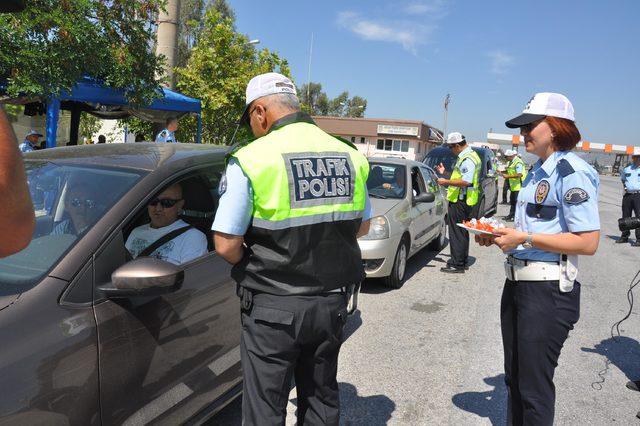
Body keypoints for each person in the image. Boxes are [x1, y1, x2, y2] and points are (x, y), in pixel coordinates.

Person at [212, 72, 371, 425]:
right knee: (320, 400)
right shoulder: (350, 155)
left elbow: (225, 244)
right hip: (331, 303)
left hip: (272, 306)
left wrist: (253, 262)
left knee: (265, 408)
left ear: (260, 112)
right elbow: (362, 226)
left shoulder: (253, 158)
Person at [475, 92, 600, 425]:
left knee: (533, 389)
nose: (524, 132)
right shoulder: (535, 173)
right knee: (514, 379)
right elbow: (532, 230)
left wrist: (525, 237)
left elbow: (587, 242)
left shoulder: (571, 172)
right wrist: (503, 235)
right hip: (518, 284)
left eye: (532, 125)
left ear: (556, 127)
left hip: (547, 292)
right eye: (523, 126)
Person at [126, 183, 207, 265]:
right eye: (153, 201)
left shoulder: (192, 237)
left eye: (167, 202)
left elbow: (191, 276)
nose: (158, 208)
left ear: (180, 205)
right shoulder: (136, 232)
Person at [436, 132, 481, 273]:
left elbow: (466, 181)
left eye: (451, 147)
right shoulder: (470, 155)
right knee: (461, 232)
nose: (450, 150)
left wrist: (445, 181)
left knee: (457, 233)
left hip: (461, 201)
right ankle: (461, 260)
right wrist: (445, 173)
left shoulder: (467, 158)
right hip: (465, 199)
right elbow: (460, 177)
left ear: (457, 145)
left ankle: (458, 264)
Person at [0, 107, 35, 257]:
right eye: (34, 137)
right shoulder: (23, 148)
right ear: (28, 137)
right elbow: (13, 232)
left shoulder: (30, 149)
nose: (36, 139)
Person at [617, 154, 640, 245]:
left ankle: (639, 239)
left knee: (639, 217)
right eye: (635, 157)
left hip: (638, 195)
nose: (636, 159)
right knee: (625, 216)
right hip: (627, 196)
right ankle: (624, 236)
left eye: (638, 157)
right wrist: (626, 189)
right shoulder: (627, 169)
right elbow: (623, 179)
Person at [501, 149, 527, 221]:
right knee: (512, 201)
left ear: (511, 156)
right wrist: (500, 172)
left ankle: (514, 217)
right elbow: (509, 170)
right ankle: (511, 215)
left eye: (506, 157)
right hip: (514, 186)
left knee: (516, 202)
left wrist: (507, 176)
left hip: (519, 185)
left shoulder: (518, 162)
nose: (505, 158)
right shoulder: (511, 162)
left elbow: (519, 174)